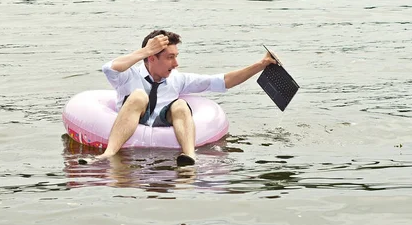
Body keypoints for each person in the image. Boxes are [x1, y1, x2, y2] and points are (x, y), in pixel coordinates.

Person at [79, 29, 276, 167]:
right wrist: (146, 50)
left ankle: (189, 155)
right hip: (132, 118)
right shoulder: (128, 76)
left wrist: (261, 64)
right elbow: (108, 68)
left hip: (162, 120)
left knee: (181, 104)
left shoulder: (178, 79)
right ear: (152, 58)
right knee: (139, 95)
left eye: (176, 56)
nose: (176, 63)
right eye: (170, 57)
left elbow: (223, 81)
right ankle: (109, 154)